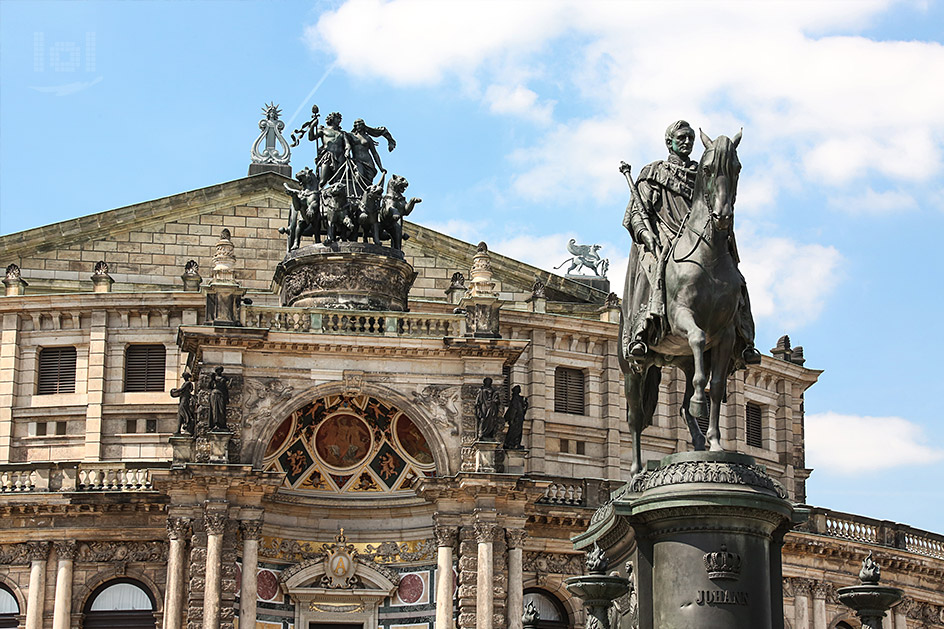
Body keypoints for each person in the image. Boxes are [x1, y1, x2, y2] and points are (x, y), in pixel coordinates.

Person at [621, 120, 761, 365]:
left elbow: (717, 200)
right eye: (681, 138)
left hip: (700, 237)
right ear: (669, 142)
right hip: (664, 236)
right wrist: (647, 235)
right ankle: (641, 332)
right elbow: (636, 213)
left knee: (735, 277)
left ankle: (744, 338)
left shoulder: (702, 173)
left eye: (690, 139)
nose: (686, 142)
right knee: (651, 269)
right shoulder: (653, 172)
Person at [348, 118, 395, 186]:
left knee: (368, 182)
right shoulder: (351, 136)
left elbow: (374, 153)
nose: (358, 127)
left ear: (363, 126)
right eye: (357, 125)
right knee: (358, 177)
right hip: (357, 161)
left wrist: (380, 167)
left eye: (360, 125)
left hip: (369, 163)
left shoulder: (368, 138)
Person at [475, 377, 503, 442]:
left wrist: (495, 401)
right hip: (484, 406)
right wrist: (478, 409)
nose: (488, 382)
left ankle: (489, 435)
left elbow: (497, 400)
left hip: (491, 407)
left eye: (490, 381)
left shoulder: (493, 390)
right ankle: (482, 434)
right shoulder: (481, 390)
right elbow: (478, 401)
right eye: (487, 381)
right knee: (483, 419)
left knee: (491, 420)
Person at [502, 385, 529, 450]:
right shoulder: (514, 399)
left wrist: (525, 404)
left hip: (519, 418)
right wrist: (511, 418)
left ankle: (516, 443)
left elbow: (523, 408)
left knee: (518, 431)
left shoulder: (520, 399)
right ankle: (511, 443)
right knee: (513, 431)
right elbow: (512, 409)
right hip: (515, 419)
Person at [170, 371, 194, 435]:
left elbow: (181, 389)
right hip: (183, 399)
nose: (183, 378)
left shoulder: (188, 383)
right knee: (180, 414)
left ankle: (187, 423)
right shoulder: (186, 383)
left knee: (183, 412)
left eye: (184, 376)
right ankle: (178, 430)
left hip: (185, 400)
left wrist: (174, 391)